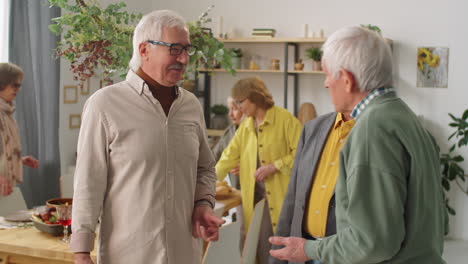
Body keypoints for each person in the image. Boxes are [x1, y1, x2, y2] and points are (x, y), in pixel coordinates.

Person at [270, 26, 447, 263]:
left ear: (346, 79)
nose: (325, 84)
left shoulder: (372, 129)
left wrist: (311, 250)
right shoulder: (404, 118)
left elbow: (372, 243)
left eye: (327, 75)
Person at [70, 10, 224, 264]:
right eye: (174, 49)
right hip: (128, 256)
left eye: (187, 49)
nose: (184, 59)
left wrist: (202, 204)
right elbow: (88, 181)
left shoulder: (191, 106)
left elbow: (205, 168)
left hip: (185, 255)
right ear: (144, 50)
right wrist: (82, 252)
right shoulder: (104, 105)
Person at [216, 77, 302, 264]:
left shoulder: (284, 119)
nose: (238, 107)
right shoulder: (246, 125)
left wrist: (274, 166)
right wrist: (208, 183)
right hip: (255, 203)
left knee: (283, 253)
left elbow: (303, 154)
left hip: (283, 200)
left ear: (255, 97)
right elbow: (228, 156)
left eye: (241, 102)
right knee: (261, 252)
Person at [270, 109, 354, 264]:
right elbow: (292, 197)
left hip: (342, 256)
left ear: (349, 83)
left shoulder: (373, 131)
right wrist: (277, 257)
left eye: (333, 81)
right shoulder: (312, 128)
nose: (326, 83)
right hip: (300, 250)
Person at [0, 63, 39, 198]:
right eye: (15, 85)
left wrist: (19, 159)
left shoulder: (6, 112)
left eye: (19, 85)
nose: (18, 89)